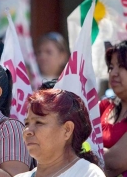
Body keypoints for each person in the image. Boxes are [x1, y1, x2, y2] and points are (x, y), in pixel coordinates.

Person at [15, 89, 105, 177]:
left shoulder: (89, 174)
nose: (27, 131)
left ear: (67, 130)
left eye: (39, 122)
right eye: (26, 124)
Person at [100, 40, 127, 176]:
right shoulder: (104, 106)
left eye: (121, 66)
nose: (113, 73)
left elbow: (114, 163)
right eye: (111, 67)